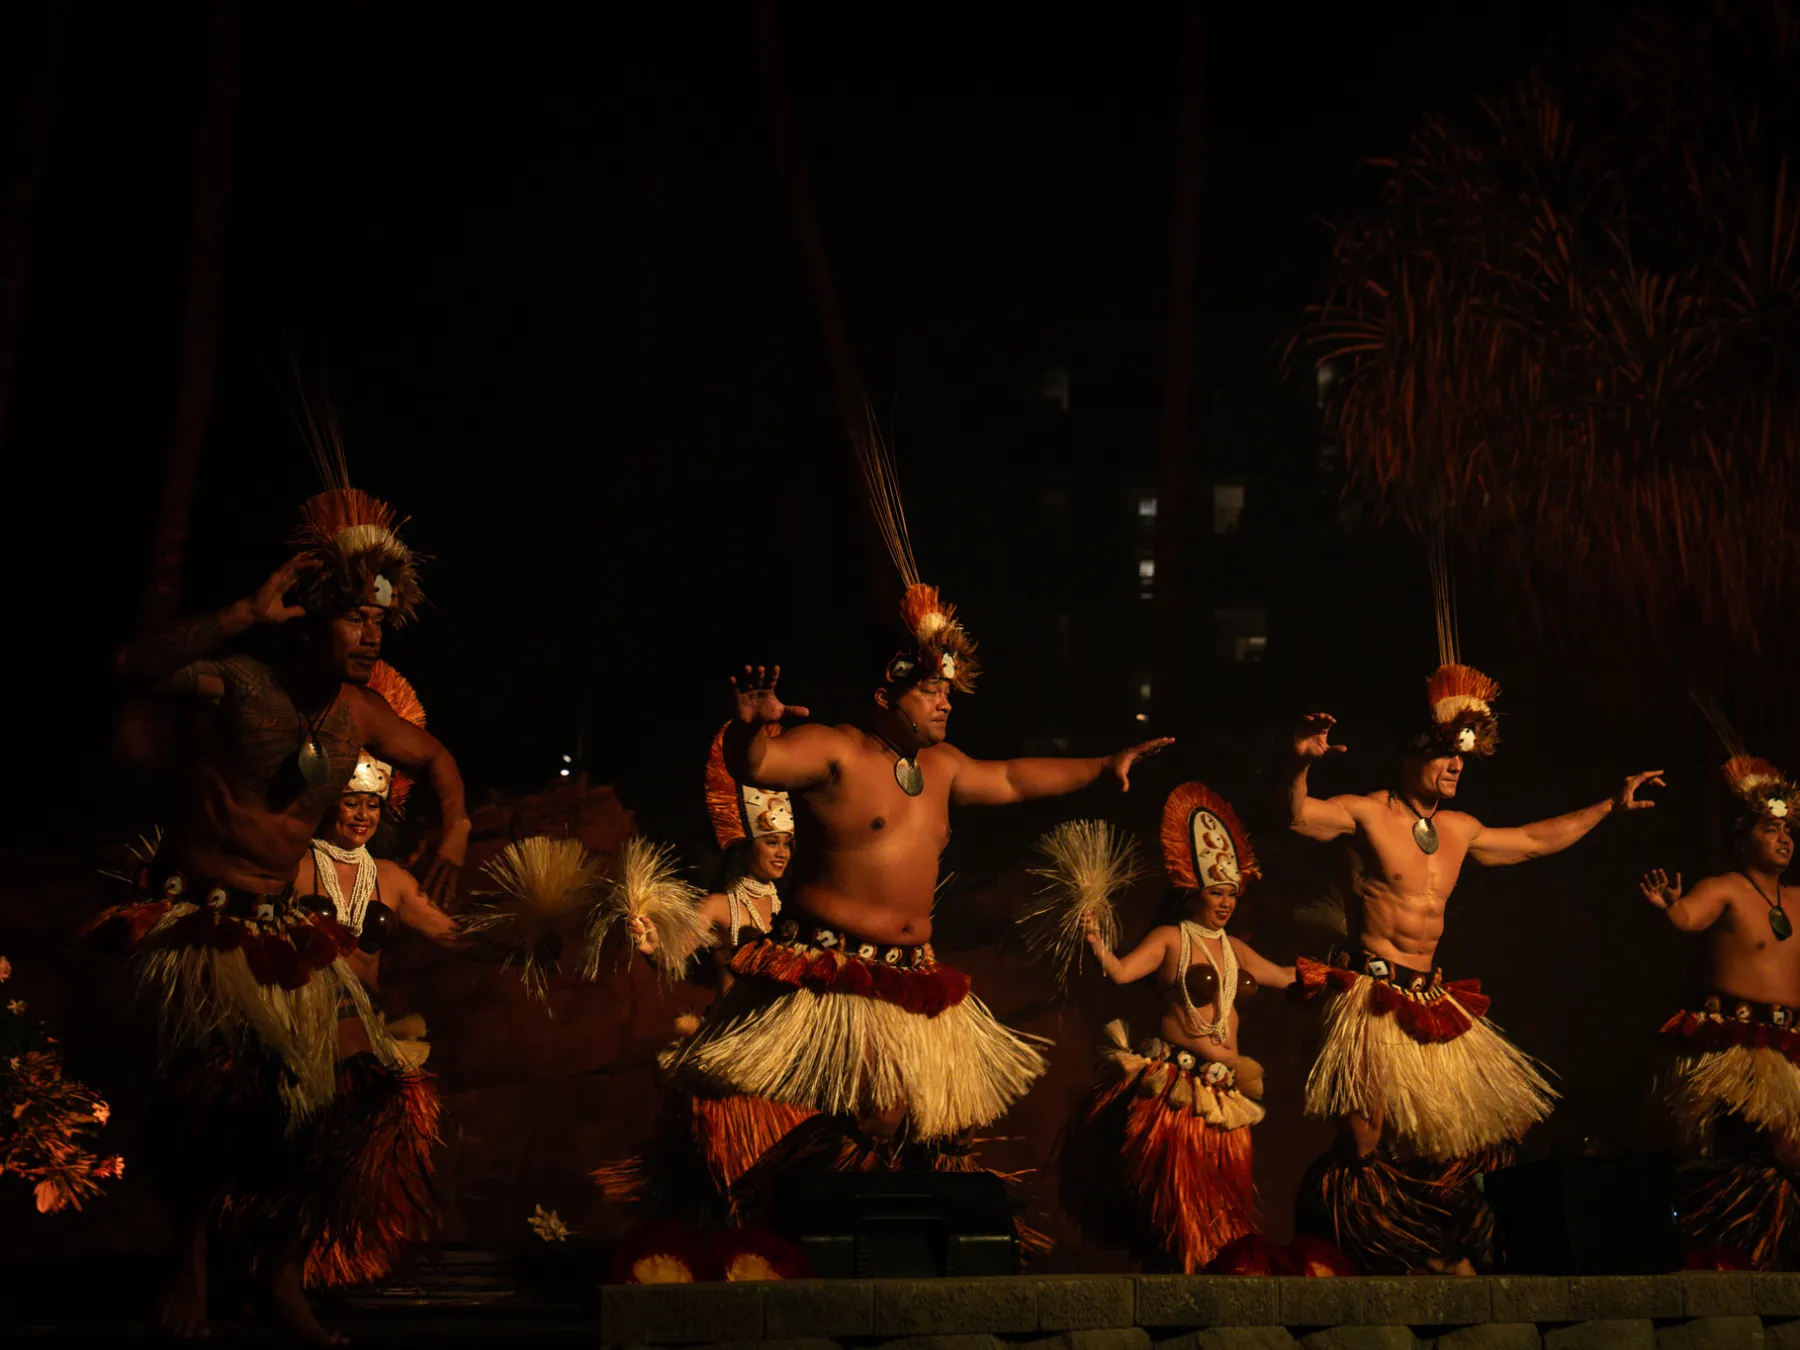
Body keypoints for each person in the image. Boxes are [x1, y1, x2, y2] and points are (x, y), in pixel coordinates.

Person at [101, 485, 469, 1344]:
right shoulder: (234, 682)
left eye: (380, 623)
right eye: (352, 618)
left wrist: (452, 830)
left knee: (356, 1097)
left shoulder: (361, 715)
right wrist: (239, 613)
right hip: (203, 924)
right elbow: (131, 667)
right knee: (209, 1098)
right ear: (308, 619)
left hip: (283, 931)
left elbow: (440, 758)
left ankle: (280, 1274)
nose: (371, 636)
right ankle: (188, 1262)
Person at [665, 583, 1172, 1173]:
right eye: (930, 691)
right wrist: (751, 728)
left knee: (914, 1124)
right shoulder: (839, 750)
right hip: (834, 976)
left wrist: (1101, 766)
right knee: (856, 1116)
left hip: (912, 973)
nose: (945, 704)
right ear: (885, 695)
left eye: (948, 693)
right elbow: (759, 764)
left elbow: (1011, 778)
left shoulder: (944, 767)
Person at [1282, 662, 1661, 1273]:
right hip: (1372, 993)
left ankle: (1439, 1241)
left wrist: (1607, 808)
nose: (1458, 767)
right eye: (1445, 755)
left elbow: (1535, 841)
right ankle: (1360, 1236)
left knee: (1483, 1135)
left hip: (1431, 999)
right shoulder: (1369, 813)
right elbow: (1298, 817)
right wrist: (1299, 761)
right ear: (1412, 752)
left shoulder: (1459, 828)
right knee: (1363, 1139)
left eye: (1463, 760)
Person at [1061, 782, 1295, 1273]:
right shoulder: (1171, 938)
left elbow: (1282, 977)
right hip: (1176, 1088)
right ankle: (1175, 1267)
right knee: (1175, 1199)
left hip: (1223, 1093)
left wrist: (1338, 970)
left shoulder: (1236, 949)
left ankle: (1212, 1263)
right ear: (1193, 891)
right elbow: (1123, 973)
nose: (1226, 903)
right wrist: (1096, 940)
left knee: (1217, 1197)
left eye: (1232, 894)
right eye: (1217, 892)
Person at [596, 724, 815, 1224]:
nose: (782, 852)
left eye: (788, 842)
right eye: (772, 842)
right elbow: (675, 950)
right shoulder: (721, 906)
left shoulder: (800, 904)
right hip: (732, 1047)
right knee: (731, 1167)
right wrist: (652, 944)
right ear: (746, 845)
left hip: (787, 1050)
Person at [287, 659, 460, 1289]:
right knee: (299, 1163)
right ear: (332, 798)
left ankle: (346, 1265)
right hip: (302, 1042)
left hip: (365, 1041)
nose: (361, 814)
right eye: (352, 800)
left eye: (372, 804)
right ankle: (292, 1270)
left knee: (365, 1162)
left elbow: (450, 934)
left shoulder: (391, 879)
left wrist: (524, 940)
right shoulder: (297, 865)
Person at [1646, 753, 1800, 1268]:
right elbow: (1690, 916)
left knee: (1778, 1151)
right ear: (1742, 839)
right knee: (1764, 1147)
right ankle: (1718, 1250)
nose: (1784, 839)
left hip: (1790, 1044)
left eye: (1788, 831)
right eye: (1770, 829)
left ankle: (1759, 1247)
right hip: (1735, 1043)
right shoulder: (1726, 888)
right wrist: (1672, 905)